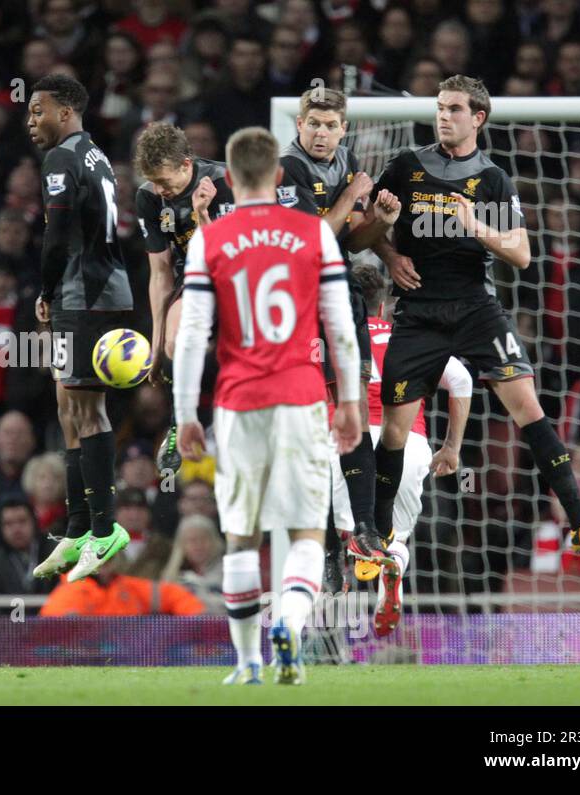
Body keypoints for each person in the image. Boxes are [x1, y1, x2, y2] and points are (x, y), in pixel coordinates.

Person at [366, 75, 580, 562]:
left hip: (476, 308)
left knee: (529, 408)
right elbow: (366, 224)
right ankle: (377, 538)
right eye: (440, 107)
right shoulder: (406, 166)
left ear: (477, 118)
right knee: (395, 431)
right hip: (417, 311)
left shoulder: (493, 178)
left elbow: (521, 254)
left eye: (454, 109)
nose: (443, 116)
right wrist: (389, 253)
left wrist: (477, 226)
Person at [173, 126, 363, 686]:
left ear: (228, 179)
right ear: (280, 177)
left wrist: (187, 411)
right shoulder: (314, 234)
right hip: (303, 396)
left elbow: (191, 336)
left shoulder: (210, 240)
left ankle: (248, 662)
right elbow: (341, 328)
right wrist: (349, 400)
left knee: (241, 534)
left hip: (237, 401)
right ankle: (292, 625)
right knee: (307, 528)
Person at [276, 88, 401, 564]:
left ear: (343, 129)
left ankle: (365, 529)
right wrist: (354, 194)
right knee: (313, 424)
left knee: (352, 414)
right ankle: (325, 545)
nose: (322, 133)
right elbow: (313, 243)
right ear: (299, 125)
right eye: (314, 124)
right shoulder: (288, 169)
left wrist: (381, 222)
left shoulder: (346, 161)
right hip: (299, 301)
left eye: (331, 126)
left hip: (341, 298)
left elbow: (350, 242)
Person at [26, 74, 133, 583]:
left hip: (83, 295)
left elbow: (58, 233)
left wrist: (45, 293)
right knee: (69, 407)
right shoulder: (96, 154)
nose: (30, 121)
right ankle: (77, 528)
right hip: (93, 291)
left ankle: (105, 528)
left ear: (65, 111)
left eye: (37, 110)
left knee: (88, 411)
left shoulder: (62, 158)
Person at [329, 263, 471, 636]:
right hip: (409, 444)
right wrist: (452, 447)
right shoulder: (409, 339)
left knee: (352, 531)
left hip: (348, 442)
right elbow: (462, 379)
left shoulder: (332, 338)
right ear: (382, 307)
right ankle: (390, 579)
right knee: (397, 537)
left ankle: (343, 581)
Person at [130, 121, 234, 470]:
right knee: (176, 343)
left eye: (165, 181)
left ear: (186, 164)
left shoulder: (225, 184)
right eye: (153, 181)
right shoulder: (148, 196)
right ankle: (180, 424)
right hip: (195, 278)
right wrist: (156, 344)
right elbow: (160, 271)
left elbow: (225, 257)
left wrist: (203, 214)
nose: (159, 189)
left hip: (242, 279)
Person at [39, 551, 205, 616]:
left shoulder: (126, 585)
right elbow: (50, 630)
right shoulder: (70, 592)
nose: (103, 565)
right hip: (88, 658)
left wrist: (197, 618)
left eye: (107, 559)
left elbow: (173, 595)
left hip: (132, 654)